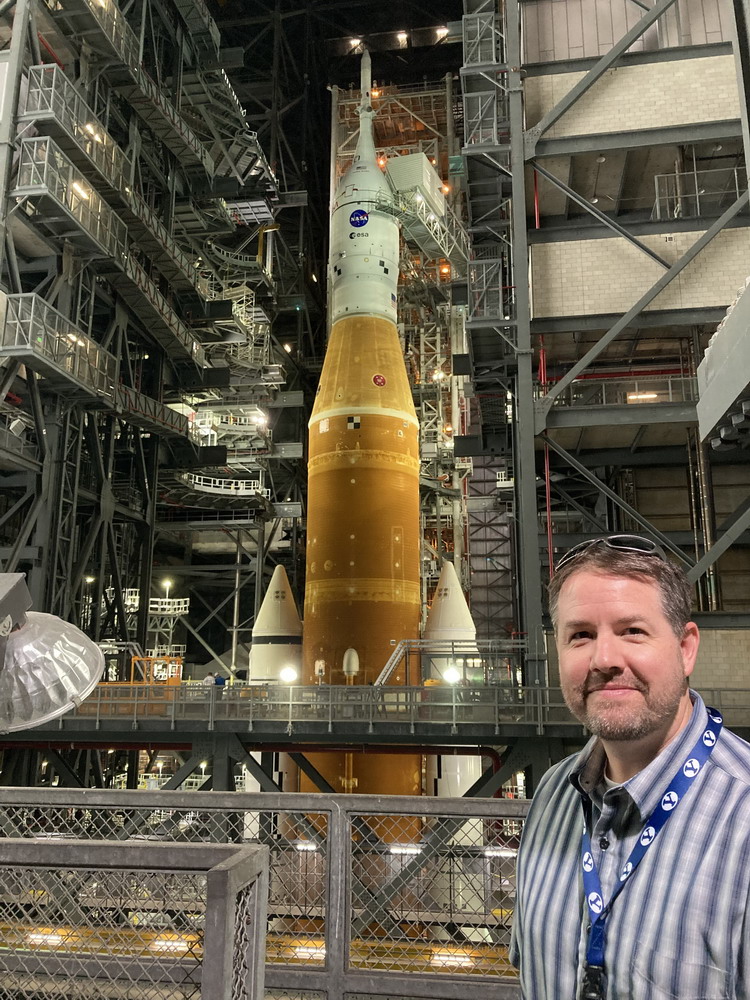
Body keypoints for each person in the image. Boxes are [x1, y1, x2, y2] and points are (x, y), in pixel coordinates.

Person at [510, 534, 750, 1000]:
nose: (604, 659)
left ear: (686, 648)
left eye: (632, 631)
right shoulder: (553, 797)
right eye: (581, 635)